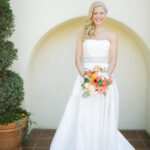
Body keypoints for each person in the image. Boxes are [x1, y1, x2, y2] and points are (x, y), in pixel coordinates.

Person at [49, 1, 135, 150]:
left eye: (101, 13)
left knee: (102, 116)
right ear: (92, 15)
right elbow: (77, 60)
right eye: (95, 13)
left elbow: (113, 59)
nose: (98, 16)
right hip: (85, 80)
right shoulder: (83, 34)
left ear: (105, 15)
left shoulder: (112, 35)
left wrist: (104, 79)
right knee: (85, 115)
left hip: (105, 80)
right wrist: (87, 79)